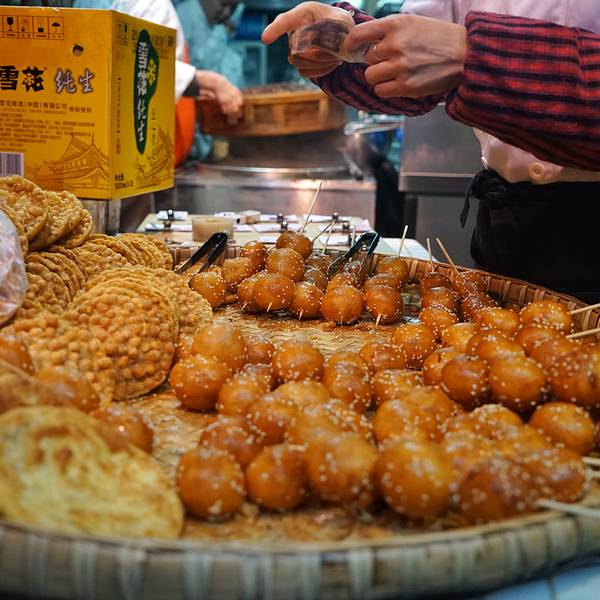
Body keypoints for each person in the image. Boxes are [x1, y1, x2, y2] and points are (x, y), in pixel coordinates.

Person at [262, 1, 600, 303]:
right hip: (505, 223)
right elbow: (420, 65)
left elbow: (451, 53)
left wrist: (473, 54)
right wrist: (344, 42)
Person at [71, 0, 243, 164]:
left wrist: (197, 87)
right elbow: (143, 68)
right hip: (130, 144)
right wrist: (209, 81)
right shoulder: (150, 4)